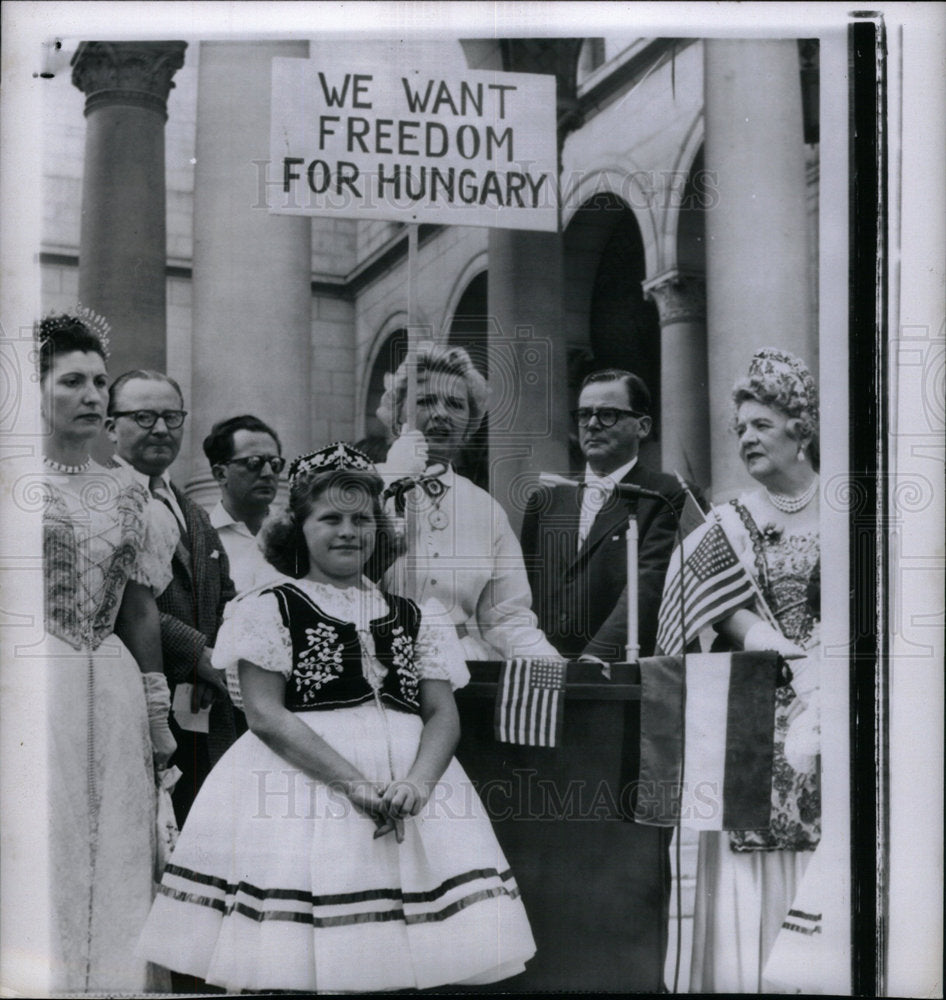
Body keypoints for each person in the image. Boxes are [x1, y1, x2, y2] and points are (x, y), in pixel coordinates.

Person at [136, 443, 537, 992]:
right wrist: (354, 786)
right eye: (329, 518)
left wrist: (419, 783)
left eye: (360, 519)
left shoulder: (416, 615)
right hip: (303, 784)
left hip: (408, 787)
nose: (347, 531)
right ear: (297, 529)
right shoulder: (268, 605)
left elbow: (442, 711)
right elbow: (266, 715)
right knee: (298, 949)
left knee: (396, 951)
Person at [35, 313, 177, 991]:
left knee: (117, 850)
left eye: (98, 381)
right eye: (71, 381)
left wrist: (156, 715)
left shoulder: (131, 493)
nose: (92, 395)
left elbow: (139, 607)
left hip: (114, 692)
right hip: (32, 688)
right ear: (34, 391)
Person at [688, 347, 822, 993]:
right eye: (740, 427)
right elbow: (717, 607)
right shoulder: (731, 520)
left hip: (836, 704)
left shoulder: (850, 506)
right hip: (756, 711)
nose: (746, 438)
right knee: (752, 862)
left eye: (761, 424)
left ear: (801, 428)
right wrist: (774, 641)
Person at [106, 371, 237, 822]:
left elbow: (225, 596)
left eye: (172, 416)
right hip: (137, 693)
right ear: (110, 426)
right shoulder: (105, 501)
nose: (161, 429)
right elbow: (123, 602)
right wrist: (199, 653)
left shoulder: (192, 509)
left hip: (203, 704)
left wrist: (214, 658)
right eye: (143, 417)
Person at [376, 343, 559, 660]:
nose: (441, 414)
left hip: (457, 668)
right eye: (426, 401)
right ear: (398, 415)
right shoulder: (364, 485)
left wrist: (552, 666)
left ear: (470, 422)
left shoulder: (485, 509)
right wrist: (393, 478)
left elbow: (508, 617)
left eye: (455, 404)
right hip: (374, 658)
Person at [520, 368, 689, 661]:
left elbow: (649, 586)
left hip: (620, 674)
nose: (593, 424)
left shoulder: (666, 495)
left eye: (608, 414)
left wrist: (591, 662)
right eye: (585, 415)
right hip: (544, 674)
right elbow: (524, 592)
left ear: (643, 426)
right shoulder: (546, 501)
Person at [203, 413, 286, 593]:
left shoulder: (295, 533)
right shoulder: (198, 540)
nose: (268, 473)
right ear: (220, 474)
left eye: (275, 463)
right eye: (253, 462)